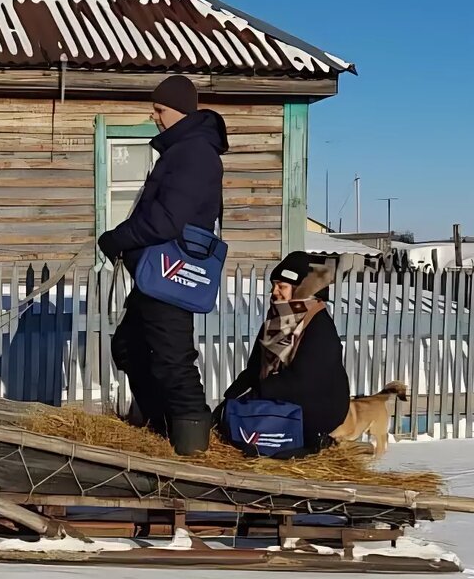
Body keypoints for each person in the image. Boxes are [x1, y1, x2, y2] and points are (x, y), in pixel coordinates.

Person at [97, 75, 227, 456]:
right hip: (156, 274)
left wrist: (118, 238)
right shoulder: (183, 150)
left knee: (173, 360)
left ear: (180, 111)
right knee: (129, 346)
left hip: (171, 273)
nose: (154, 117)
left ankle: (192, 450)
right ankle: (162, 429)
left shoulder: (194, 153)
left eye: (159, 110)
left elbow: (168, 220)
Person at [216, 251, 351, 455]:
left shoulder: (318, 325)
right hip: (279, 396)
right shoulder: (275, 322)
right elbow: (255, 368)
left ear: (299, 290)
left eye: (282, 286)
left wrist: (258, 393)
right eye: (273, 285)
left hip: (316, 407)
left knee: (255, 443)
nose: (274, 292)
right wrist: (231, 398)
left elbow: (306, 381)